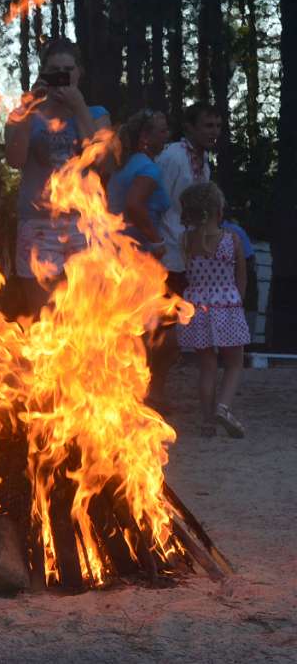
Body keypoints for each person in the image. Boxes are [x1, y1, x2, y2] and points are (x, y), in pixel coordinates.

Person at [4, 37, 109, 315]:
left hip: (82, 221)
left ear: (79, 72)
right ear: (44, 74)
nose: (63, 75)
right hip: (38, 222)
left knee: (87, 313)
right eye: (55, 70)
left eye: (69, 69)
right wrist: (28, 110)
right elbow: (14, 159)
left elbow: (97, 160)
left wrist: (79, 108)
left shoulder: (96, 114)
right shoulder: (24, 114)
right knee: (41, 313)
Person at [151, 102, 221, 398]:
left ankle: (156, 390)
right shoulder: (172, 157)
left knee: (176, 330)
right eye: (208, 125)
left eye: (217, 126)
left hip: (187, 256)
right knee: (162, 330)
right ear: (189, 128)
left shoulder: (202, 162)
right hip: (166, 254)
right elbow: (154, 203)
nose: (214, 132)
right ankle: (149, 391)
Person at [177, 182, 249, 439]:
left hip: (197, 309)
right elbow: (241, 277)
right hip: (228, 306)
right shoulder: (232, 240)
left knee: (206, 367)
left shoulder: (185, 240)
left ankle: (207, 421)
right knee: (234, 363)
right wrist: (236, 303)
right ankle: (223, 408)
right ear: (219, 211)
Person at [106, 109, 171, 256]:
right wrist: (157, 241)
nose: (167, 135)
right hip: (136, 256)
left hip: (112, 249)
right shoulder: (147, 168)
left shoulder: (121, 166)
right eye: (162, 131)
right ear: (145, 136)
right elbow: (133, 205)